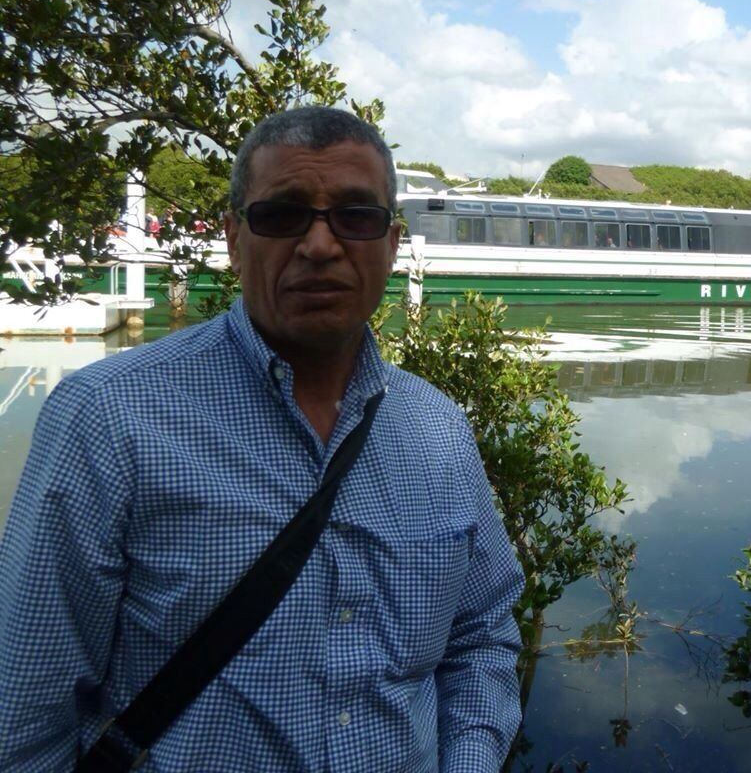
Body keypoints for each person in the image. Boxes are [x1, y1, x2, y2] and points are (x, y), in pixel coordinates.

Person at [0, 107, 524, 771]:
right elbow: (26, 714)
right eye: (283, 215)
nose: (320, 245)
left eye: (356, 217)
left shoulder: (438, 430)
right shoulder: (109, 419)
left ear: (392, 245)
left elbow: (480, 637)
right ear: (233, 239)